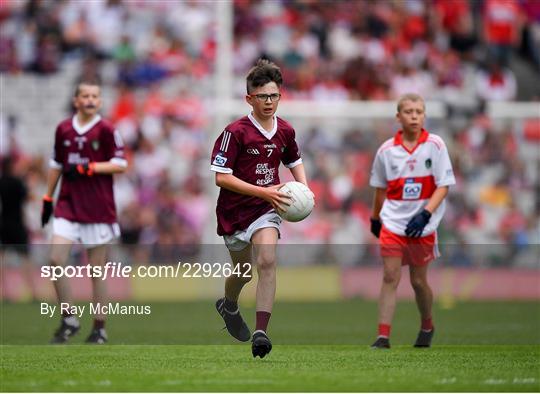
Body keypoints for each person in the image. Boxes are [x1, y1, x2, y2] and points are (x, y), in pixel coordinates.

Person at [210, 58, 308, 358]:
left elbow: (294, 162)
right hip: (234, 210)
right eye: (262, 96)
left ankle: (261, 332)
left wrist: (304, 190)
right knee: (242, 271)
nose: (269, 101)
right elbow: (221, 178)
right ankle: (228, 304)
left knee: (267, 261)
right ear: (249, 98)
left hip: (267, 210)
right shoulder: (235, 132)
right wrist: (263, 191)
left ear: (280, 95)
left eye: (274, 95)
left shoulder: (285, 131)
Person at [41, 80, 127, 344]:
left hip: (97, 208)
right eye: (85, 96)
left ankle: (99, 327)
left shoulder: (107, 129)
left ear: (99, 102)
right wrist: (47, 197)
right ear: (76, 100)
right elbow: (56, 164)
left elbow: (120, 164)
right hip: (67, 204)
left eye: (95, 96)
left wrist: (90, 168)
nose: (90, 100)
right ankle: (69, 317)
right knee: (55, 261)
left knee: (96, 270)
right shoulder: (63, 129)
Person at [369, 93, 455, 349]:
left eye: (419, 111)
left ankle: (427, 324)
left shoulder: (436, 145)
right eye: (409, 111)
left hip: (423, 226)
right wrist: (375, 218)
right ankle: (383, 336)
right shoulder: (386, 151)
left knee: (418, 282)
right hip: (393, 223)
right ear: (399, 117)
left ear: (424, 115)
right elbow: (380, 189)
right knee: (390, 276)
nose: (414, 116)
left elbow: (444, 186)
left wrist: (426, 213)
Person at [0, 156, 36, 300]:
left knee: (1, 259)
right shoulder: (18, 182)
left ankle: (4, 293)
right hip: (17, 224)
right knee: (25, 259)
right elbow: (28, 198)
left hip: (3, 223)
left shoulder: (1, 182)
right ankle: (33, 292)